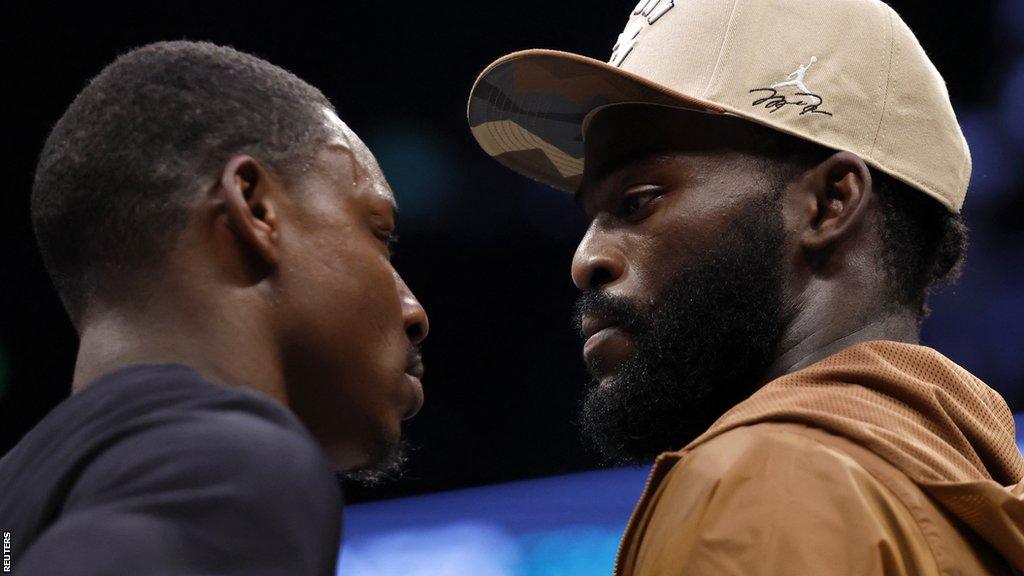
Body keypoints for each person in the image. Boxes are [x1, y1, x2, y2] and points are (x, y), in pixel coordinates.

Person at [467, 0, 1023, 574]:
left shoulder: (758, 481)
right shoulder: (964, 490)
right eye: (590, 214)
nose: (585, 260)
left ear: (828, 204)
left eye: (638, 201)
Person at [0, 40, 428, 575]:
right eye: (379, 233)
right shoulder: (232, 465)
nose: (415, 313)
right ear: (254, 207)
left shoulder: (13, 507)